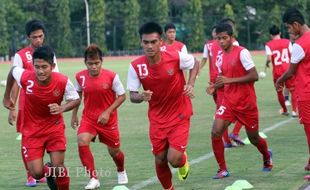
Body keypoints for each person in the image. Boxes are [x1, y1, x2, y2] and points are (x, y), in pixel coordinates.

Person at [127, 22, 199, 190]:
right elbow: (132, 96)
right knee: (160, 159)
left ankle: (183, 160)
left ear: (161, 42)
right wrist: (141, 96)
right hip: (157, 118)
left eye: (153, 42)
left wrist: (190, 84)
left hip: (179, 113)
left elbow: (194, 63)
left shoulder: (175, 56)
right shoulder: (136, 66)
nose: (150, 46)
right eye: (146, 42)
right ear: (141, 43)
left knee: (173, 159)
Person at [2, 45, 80, 190]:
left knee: (59, 167)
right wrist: (7, 97)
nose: (40, 71)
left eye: (44, 67)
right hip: (32, 130)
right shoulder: (26, 77)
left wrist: (62, 107)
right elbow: (13, 71)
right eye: (37, 67)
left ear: (53, 66)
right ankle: (48, 172)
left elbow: (76, 99)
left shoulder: (63, 81)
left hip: (54, 127)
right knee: (37, 173)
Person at [209, 23, 272, 179]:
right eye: (219, 39)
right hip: (229, 102)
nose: (221, 42)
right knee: (215, 131)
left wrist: (229, 80)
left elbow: (254, 76)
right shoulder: (220, 57)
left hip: (246, 103)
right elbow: (222, 80)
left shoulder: (242, 52)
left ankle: (266, 156)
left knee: (254, 138)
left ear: (232, 37)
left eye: (224, 38)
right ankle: (222, 169)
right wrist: (214, 87)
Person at [8, 19, 59, 187]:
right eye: (35, 37)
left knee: (50, 138)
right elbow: (15, 80)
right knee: (26, 139)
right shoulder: (20, 55)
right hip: (27, 106)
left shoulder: (50, 54)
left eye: (41, 36)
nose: (38, 40)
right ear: (28, 37)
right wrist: (12, 107)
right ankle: (30, 175)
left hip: (45, 105)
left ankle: (43, 170)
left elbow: (56, 77)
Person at [71, 44, 128, 189]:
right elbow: (78, 96)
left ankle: (121, 170)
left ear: (101, 61)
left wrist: (108, 112)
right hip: (89, 118)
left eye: (97, 63)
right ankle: (93, 178)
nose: (94, 66)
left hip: (109, 121)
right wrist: (74, 115)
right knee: (82, 140)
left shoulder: (112, 76)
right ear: (85, 63)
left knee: (114, 152)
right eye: (90, 63)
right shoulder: (80, 77)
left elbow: (122, 96)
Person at [276, 7, 310, 173]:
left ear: (296, 25)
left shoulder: (300, 45)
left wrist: (279, 81)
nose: (288, 31)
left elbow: (290, 72)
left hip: (306, 93)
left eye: (289, 27)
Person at [204, 20, 244, 147]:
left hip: (215, 79)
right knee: (238, 109)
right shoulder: (233, 44)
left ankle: (227, 140)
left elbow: (206, 60)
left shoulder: (209, 45)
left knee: (221, 110)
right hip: (226, 81)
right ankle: (234, 134)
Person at [265, 25, 297, 117]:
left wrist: (267, 64)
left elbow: (269, 59)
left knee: (279, 91)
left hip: (277, 71)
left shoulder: (268, 44)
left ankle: (285, 110)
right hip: (288, 69)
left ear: (271, 35)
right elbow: (292, 55)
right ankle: (294, 111)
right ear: (280, 33)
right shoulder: (287, 42)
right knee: (293, 90)